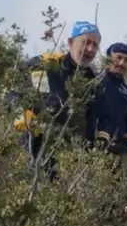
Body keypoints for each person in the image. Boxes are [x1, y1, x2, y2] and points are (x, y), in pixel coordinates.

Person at [6, 20, 103, 179]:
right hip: (36, 156)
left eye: (95, 45)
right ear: (71, 43)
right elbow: (10, 90)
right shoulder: (45, 65)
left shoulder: (94, 82)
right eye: (85, 42)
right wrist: (19, 112)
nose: (90, 49)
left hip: (73, 166)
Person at [95, 41, 127, 175]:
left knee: (124, 190)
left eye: (126, 60)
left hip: (120, 152)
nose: (121, 63)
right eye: (118, 57)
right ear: (109, 58)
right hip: (93, 150)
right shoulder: (94, 81)